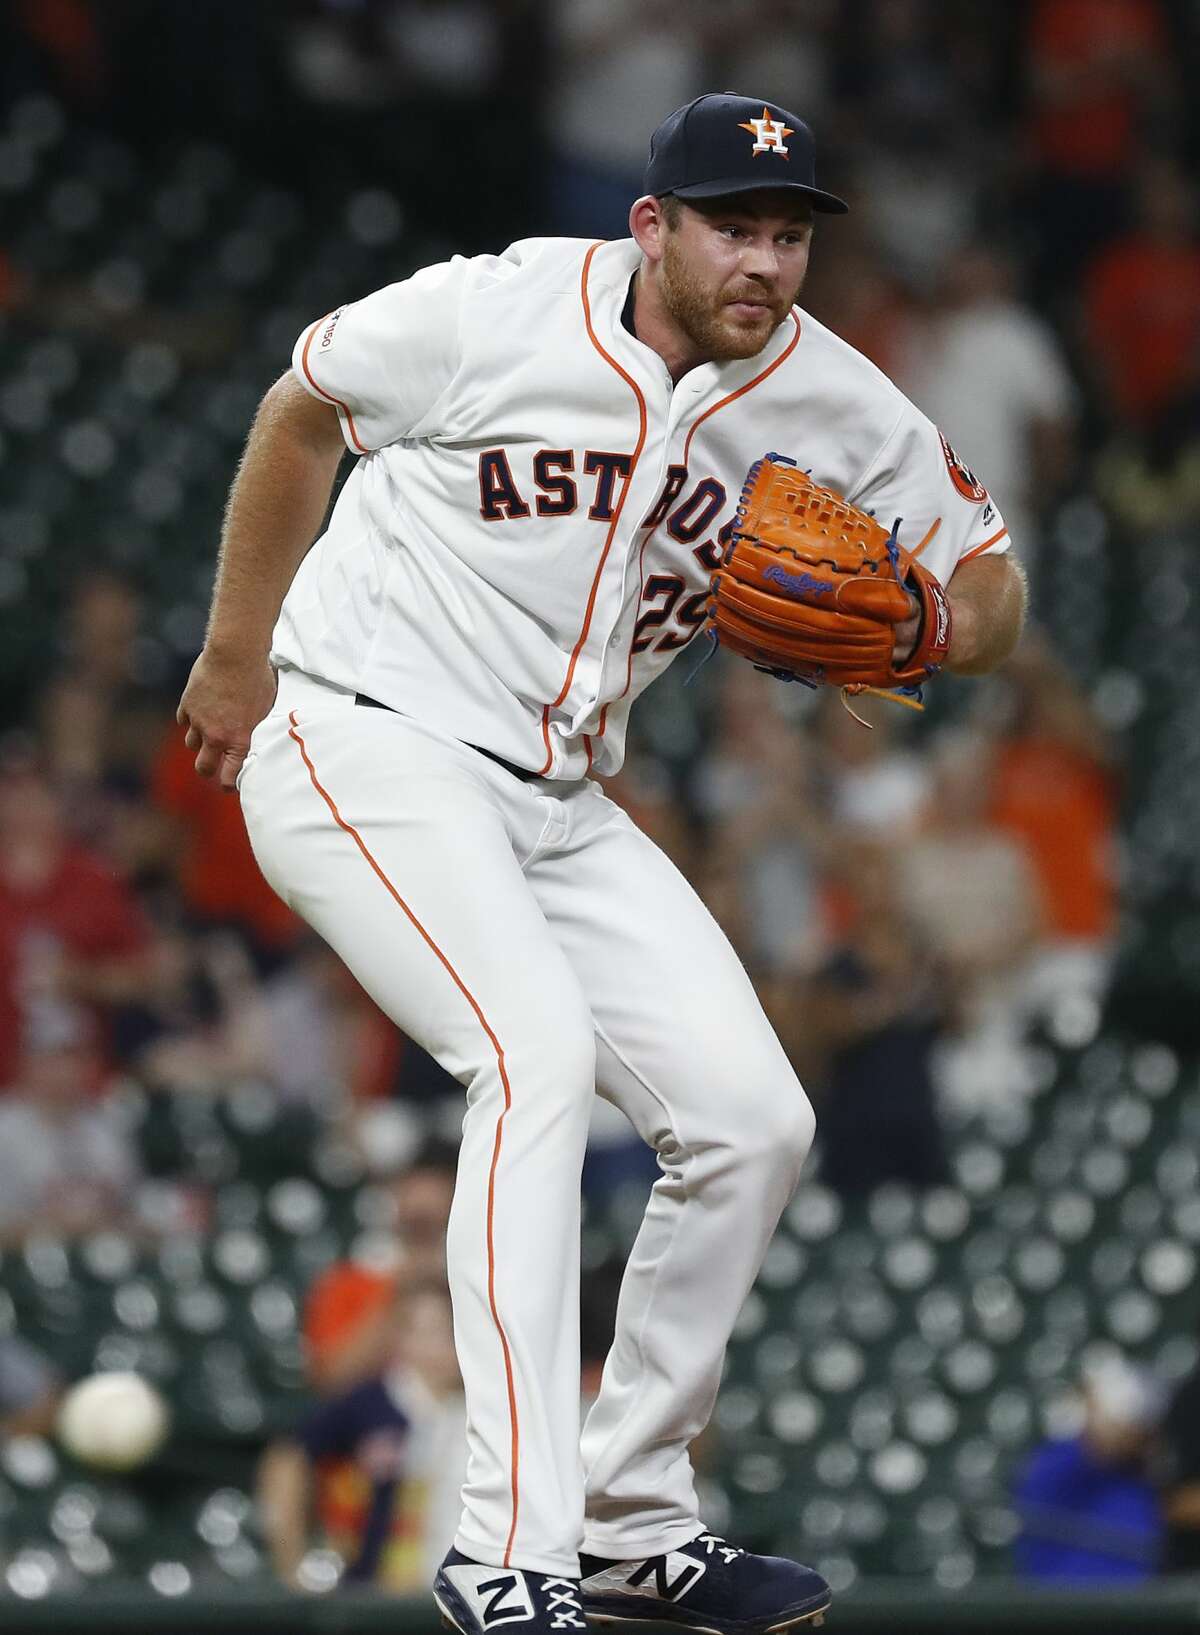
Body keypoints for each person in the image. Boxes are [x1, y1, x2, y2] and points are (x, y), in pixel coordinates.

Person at [177, 91, 1027, 1635]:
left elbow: (990, 581)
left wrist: (925, 626)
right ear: (653, 226)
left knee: (757, 1120)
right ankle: (505, 1548)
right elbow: (300, 406)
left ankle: (634, 1513)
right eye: (732, 225)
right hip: (368, 736)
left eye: (787, 232)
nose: (763, 259)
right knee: (535, 1055)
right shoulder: (492, 311)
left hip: (562, 800)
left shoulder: (827, 394)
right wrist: (236, 652)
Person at [260, 1280, 467, 1592]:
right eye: (423, 1332)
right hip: (377, 1591)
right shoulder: (371, 1402)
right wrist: (292, 1560)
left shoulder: (487, 1409)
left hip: (462, 1588)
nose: (438, 1346)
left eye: (448, 1332)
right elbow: (288, 1460)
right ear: (399, 1337)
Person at [1013, 1355, 1164, 1582]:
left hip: (1138, 1604)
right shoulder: (1056, 1462)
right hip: (1067, 1606)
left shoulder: (1144, 1470)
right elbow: (1103, 1446)